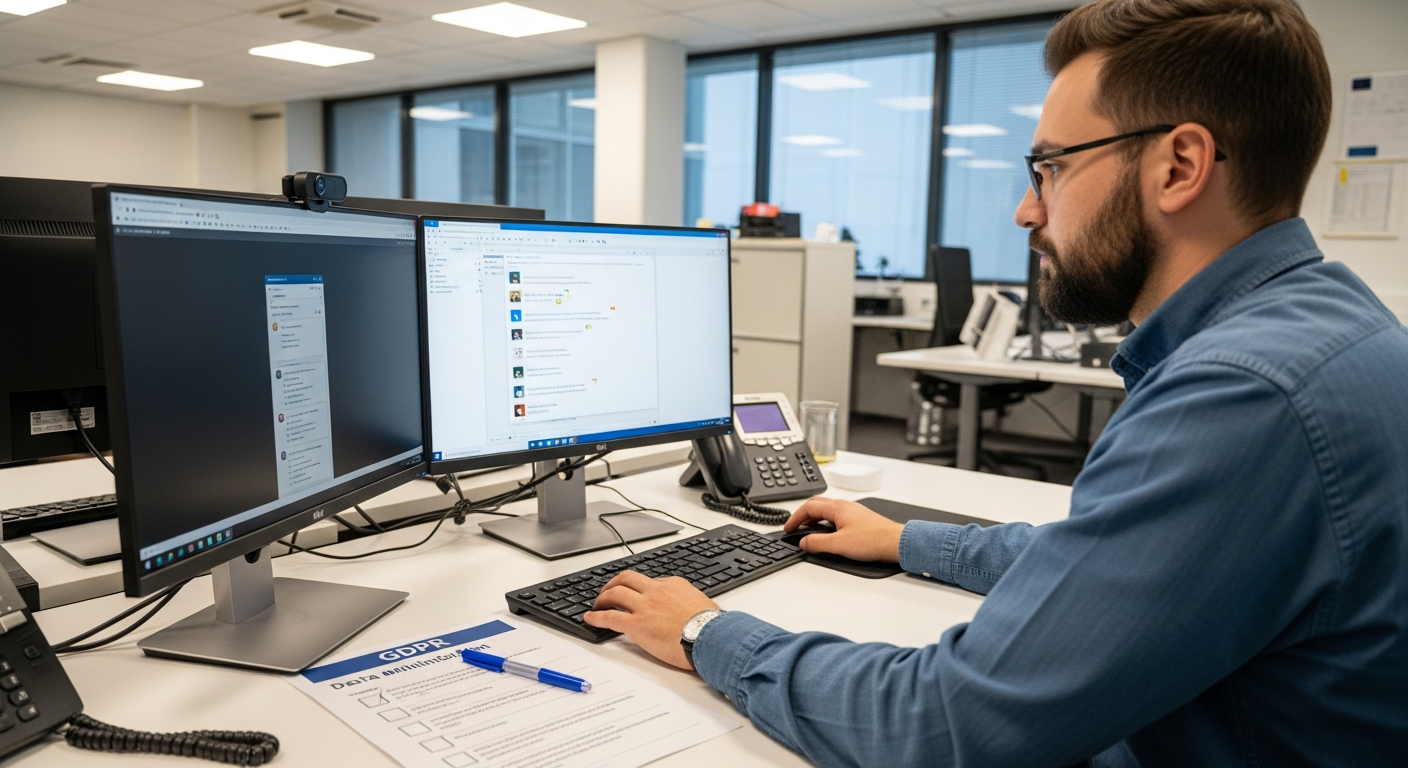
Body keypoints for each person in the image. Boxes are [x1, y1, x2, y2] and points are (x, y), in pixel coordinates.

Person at [584, 0, 1408, 765]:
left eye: (1048, 166)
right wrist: (906, 539)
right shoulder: (1328, 326)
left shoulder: (1243, 393)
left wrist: (703, 630)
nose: (1025, 210)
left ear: (1179, 165)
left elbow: (945, 724)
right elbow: (1123, 562)